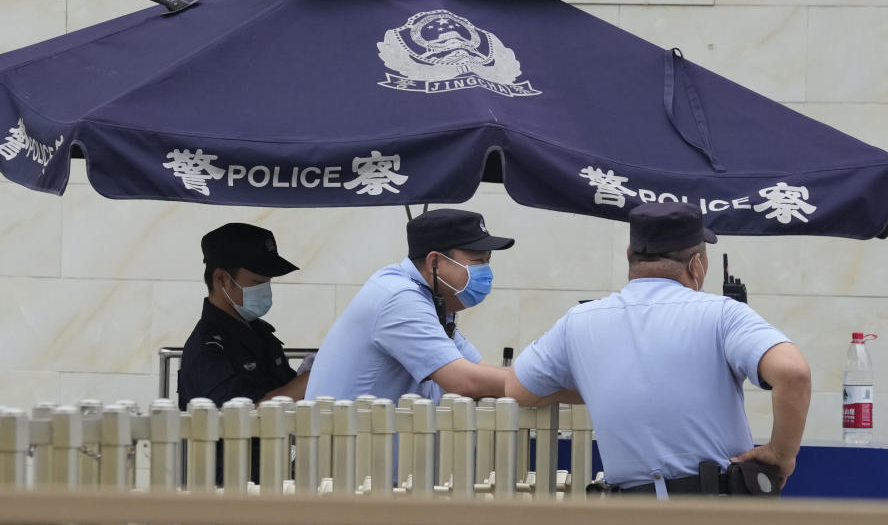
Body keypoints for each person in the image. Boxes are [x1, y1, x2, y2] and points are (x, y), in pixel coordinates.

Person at [505, 202, 811, 496]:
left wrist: (599, 387)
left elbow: (518, 390)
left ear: (629, 255)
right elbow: (792, 373)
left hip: (631, 516)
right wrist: (781, 454)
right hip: (716, 513)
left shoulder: (579, 321)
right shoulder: (723, 314)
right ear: (697, 264)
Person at [305, 208, 514, 403]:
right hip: (349, 441)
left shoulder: (428, 298)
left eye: (488, 261)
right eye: (477, 261)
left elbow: (478, 368)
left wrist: (532, 377)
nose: (486, 272)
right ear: (435, 263)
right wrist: (535, 383)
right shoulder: (400, 298)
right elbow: (463, 380)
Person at [178, 223, 309, 410]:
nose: (265, 289)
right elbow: (241, 416)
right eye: (257, 282)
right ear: (221, 279)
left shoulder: (259, 332)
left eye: (268, 282)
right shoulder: (208, 349)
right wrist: (308, 379)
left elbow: (283, 388)